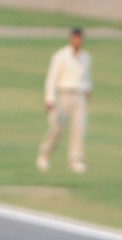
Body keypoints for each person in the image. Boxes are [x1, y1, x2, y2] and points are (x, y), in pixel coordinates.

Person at [37, 27, 93, 174]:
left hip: (79, 95)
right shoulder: (61, 56)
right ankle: (45, 155)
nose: (78, 41)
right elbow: (52, 78)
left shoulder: (85, 57)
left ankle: (76, 160)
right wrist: (49, 98)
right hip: (63, 94)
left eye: (80, 38)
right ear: (71, 39)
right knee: (56, 128)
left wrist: (88, 90)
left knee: (79, 129)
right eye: (75, 38)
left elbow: (87, 77)